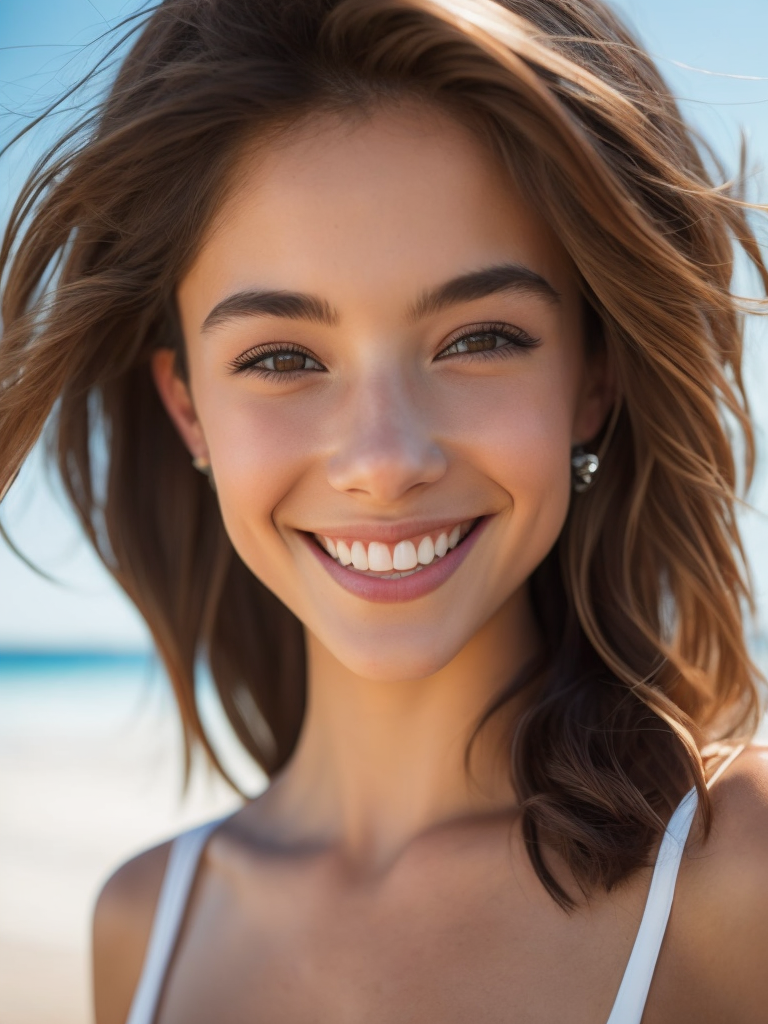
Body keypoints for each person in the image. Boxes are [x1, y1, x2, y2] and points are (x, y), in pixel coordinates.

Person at [1, 0, 767, 1020]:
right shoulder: (143, 929)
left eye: (480, 339)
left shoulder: (738, 869)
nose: (384, 461)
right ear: (188, 407)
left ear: (594, 377)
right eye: (281, 357)